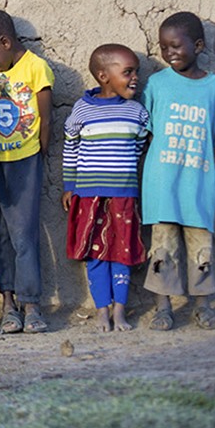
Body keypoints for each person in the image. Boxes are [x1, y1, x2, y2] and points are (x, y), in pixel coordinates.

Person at [141, 12, 215, 331]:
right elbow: (147, 134)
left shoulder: (213, 87)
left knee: (201, 246)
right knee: (163, 246)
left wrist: (212, 186)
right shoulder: (157, 84)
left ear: (199, 45)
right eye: (163, 47)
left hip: (197, 184)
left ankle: (203, 306)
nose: (169, 53)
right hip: (162, 184)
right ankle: (163, 308)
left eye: (176, 46)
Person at [0, 8, 55, 334]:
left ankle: (31, 302)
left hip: (24, 161)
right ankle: (8, 302)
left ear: (6, 42)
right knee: (0, 231)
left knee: (24, 233)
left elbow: (47, 119)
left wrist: (38, 155)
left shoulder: (36, 68)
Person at [63, 44, 150, 332]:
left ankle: (120, 312)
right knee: (97, 254)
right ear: (103, 76)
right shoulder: (82, 110)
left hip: (124, 197)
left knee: (122, 253)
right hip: (90, 197)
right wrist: (69, 185)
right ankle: (101, 310)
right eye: (127, 72)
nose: (135, 77)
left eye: (136, 71)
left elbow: (139, 148)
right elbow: (71, 147)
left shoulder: (137, 112)